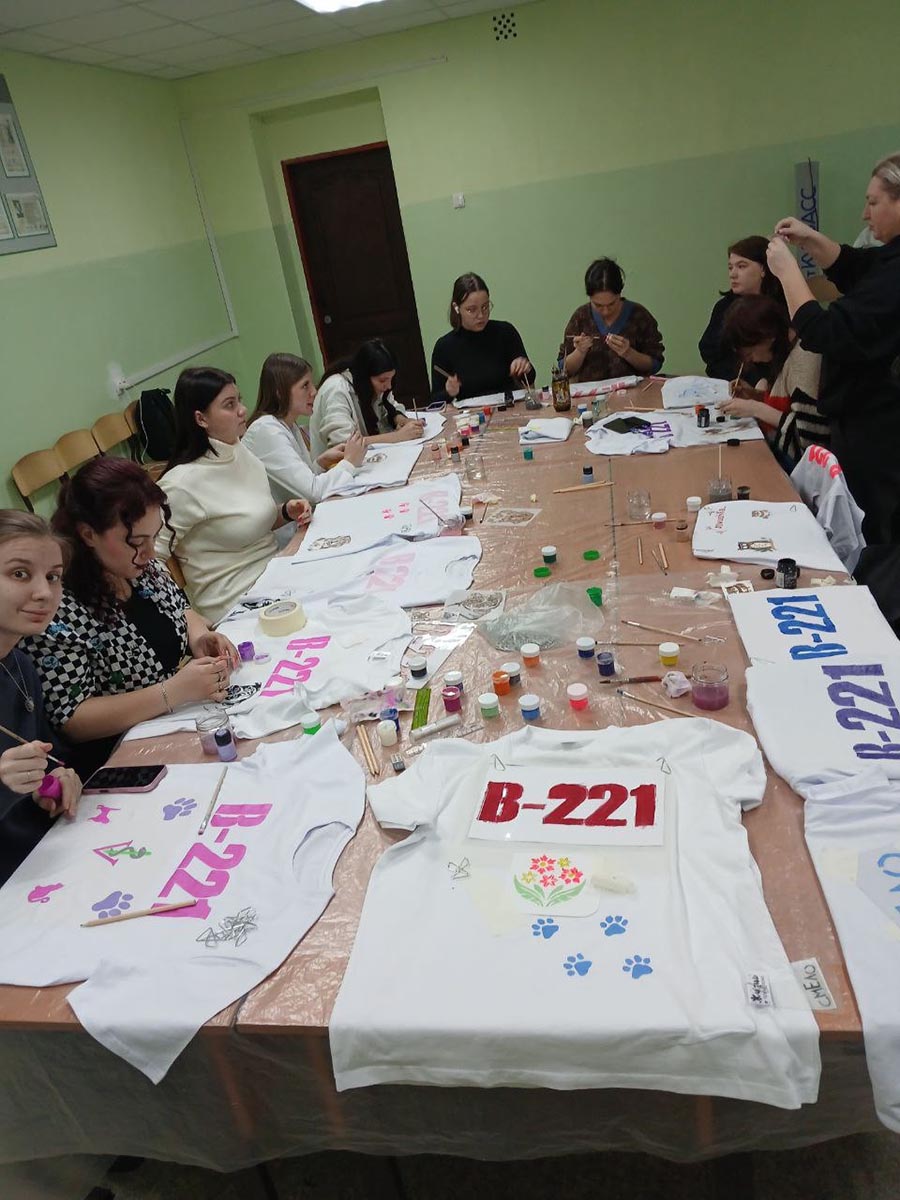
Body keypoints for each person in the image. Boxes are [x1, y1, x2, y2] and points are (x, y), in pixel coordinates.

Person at [21, 460, 239, 780]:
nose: (149, 552)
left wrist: (199, 637)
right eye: (136, 542)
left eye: (154, 537)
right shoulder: (56, 607)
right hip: (122, 757)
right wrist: (172, 691)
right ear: (88, 534)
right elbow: (73, 718)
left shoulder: (140, 567)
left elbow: (181, 608)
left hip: (174, 722)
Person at [767, 151, 900, 542]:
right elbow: (852, 265)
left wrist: (788, 273)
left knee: (875, 537)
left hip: (879, 434)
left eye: (873, 202)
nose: (864, 214)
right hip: (862, 426)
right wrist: (809, 239)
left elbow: (823, 331)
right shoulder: (889, 259)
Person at [157, 367, 311, 623]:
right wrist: (188, 619)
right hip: (236, 605)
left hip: (275, 578)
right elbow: (150, 561)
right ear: (201, 419)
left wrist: (285, 511)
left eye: (239, 400)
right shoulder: (180, 484)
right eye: (230, 405)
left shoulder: (240, 451)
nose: (242, 410)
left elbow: (244, 523)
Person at [0, 512, 81, 884]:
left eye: (53, 576)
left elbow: (47, 754)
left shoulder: (20, 664)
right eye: (19, 574)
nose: (45, 593)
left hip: (44, 855)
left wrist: (55, 777)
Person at [243, 352, 366, 506]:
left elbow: (302, 483)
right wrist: (349, 463)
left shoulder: (288, 425)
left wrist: (320, 463)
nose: (314, 392)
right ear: (280, 393)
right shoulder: (267, 430)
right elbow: (312, 493)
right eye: (305, 386)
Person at [717, 295, 826, 466]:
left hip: (797, 468)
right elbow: (786, 407)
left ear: (767, 337)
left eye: (749, 353)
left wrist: (755, 408)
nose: (751, 360)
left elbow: (809, 441)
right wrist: (755, 396)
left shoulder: (805, 360)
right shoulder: (786, 354)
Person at [310, 340, 424, 457]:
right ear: (364, 376)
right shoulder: (336, 389)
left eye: (391, 379)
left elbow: (390, 406)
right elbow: (344, 445)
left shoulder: (373, 386)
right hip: (337, 466)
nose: (389, 386)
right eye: (383, 380)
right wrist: (397, 436)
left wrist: (401, 420)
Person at [430, 273, 533, 403]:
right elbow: (435, 401)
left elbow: (530, 379)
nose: (481, 315)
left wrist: (524, 368)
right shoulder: (444, 347)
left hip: (510, 406)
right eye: (471, 310)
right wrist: (448, 392)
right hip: (470, 413)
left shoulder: (505, 332)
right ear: (456, 308)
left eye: (485, 307)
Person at [560, 258, 664, 382]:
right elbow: (564, 369)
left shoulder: (639, 316)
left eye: (611, 304)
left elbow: (654, 364)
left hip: (633, 392)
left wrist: (628, 353)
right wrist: (580, 352)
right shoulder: (581, 317)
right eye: (598, 305)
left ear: (619, 293)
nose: (605, 311)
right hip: (591, 392)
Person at [699, 236, 785, 382]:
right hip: (730, 383)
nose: (732, 274)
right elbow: (708, 350)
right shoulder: (724, 307)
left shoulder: (782, 307)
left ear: (764, 269)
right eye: (730, 267)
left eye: (741, 266)